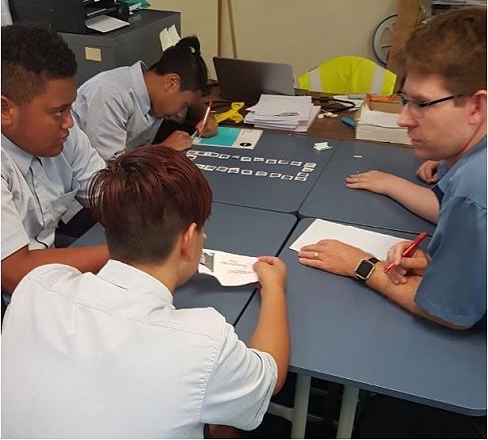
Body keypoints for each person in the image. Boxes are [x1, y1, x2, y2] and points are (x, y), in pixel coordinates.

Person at [1, 145, 290, 438]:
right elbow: (271, 377)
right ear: (189, 240)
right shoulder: (205, 342)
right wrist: (274, 286)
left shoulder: (37, 286)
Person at [299, 6, 486, 330]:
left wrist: (362, 265)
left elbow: (449, 314)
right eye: (405, 100)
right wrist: (437, 264)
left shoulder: (476, 185)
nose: (403, 119)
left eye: (422, 104)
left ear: (477, 106)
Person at [1, 24, 109, 295]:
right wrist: (130, 254)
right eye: (59, 111)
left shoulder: (62, 135)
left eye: (69, 107)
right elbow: (14, 272)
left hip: (46, 268)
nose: (69, 122)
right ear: (4, 110)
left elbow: (107, 192)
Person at [72, 35, 218, 162]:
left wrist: (206, 116)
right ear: (171, 83)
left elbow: (192, 101)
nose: (180, 114)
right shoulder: (110, 95)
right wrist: (164, 150)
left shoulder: (154, 91)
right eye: (184, 105)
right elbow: (109, 170)